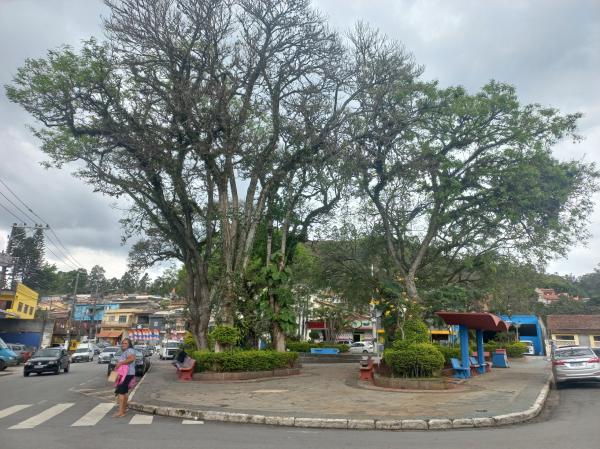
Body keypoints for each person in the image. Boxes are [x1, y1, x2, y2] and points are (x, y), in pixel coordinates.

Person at [113, 338, 136, 418]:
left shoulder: (130, 350)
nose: (123, 344)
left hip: (126, 374)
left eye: (126, 343)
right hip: (127, 373)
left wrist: (120, 363)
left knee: (121, 392)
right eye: (123, 343)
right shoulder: (126, 351)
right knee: (125, 392)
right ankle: (123, 409)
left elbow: (132, 359)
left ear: (129, 344)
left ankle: (121, 412)